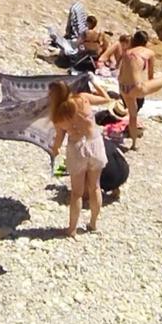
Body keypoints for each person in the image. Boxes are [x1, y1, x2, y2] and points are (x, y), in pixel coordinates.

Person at [47, 81, 110, 237]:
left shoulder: (57, 114)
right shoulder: (83, 98)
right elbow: (106, 98)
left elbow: (59, 138)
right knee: (95, 187)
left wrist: (54, 150)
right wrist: (95, 82)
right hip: (94, 143)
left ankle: (72, 229)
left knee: (77, 193)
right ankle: (93, 223)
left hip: (76, 148)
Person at [117, 31, 162, 146]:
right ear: (146, 42)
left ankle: (134, 144)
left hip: (122, 88)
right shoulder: (149, 52)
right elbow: (150, 76)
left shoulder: (127, 52)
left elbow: (121, 72)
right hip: (135, 88)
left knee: (133, 116)